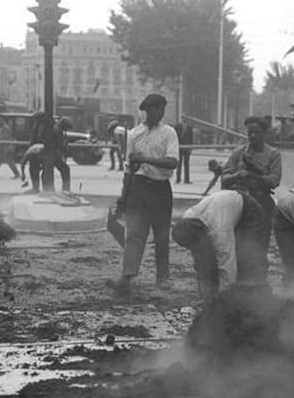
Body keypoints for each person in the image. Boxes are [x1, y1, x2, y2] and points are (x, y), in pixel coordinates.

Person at [107, 94, 179, 293]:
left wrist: (146, 159)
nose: (159, 113)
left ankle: (162, 277)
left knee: (162, 235)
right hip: (137, 188)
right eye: (155, 109)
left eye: (162, 109)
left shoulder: (169, 133)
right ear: (146, 110)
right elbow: (130, 168)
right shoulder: (134, 134)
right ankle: (127, 277)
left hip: (160, 188)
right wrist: (123, 196)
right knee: (134, 234)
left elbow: (173, 162)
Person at [171, 190, 265, 302]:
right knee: (207, 258)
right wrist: (205, 294)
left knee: (244, 257)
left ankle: (254, 295)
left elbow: (227, 264)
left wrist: (222, 300)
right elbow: (201, 260)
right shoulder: (188, 220)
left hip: (249, 210)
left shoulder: (219, 230)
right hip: (225, 205)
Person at [221, 116, 282, 254]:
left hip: (262, 203)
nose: (252, 136)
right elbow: (224, 179)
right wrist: (238, 175)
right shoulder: (239, 152)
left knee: (260, 246)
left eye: (256, 132)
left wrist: (254, 176)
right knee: (238, 245)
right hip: (239, 203)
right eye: (249, 133)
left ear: (265, 133)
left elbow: (274, 180)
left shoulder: (273, 155)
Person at [22, 116, 73, 193]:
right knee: (64, 169)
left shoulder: (53, 128)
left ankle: (38, 188)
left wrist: (23, 176)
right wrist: (64, 147)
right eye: (67, 128)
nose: (66, 130)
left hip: (45, 152)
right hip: (51, 153)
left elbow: (23, 162)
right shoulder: (58, 131)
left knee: (42, 170)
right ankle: (65, 189)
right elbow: (59, 146)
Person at [0, 116, 21, 181]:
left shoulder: (5, 128)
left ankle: (17, 174)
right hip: (3, 147)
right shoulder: (3, 127)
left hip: (6, 148)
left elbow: (4, 137)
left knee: (8, 162)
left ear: (3, 120)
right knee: (0, 161)